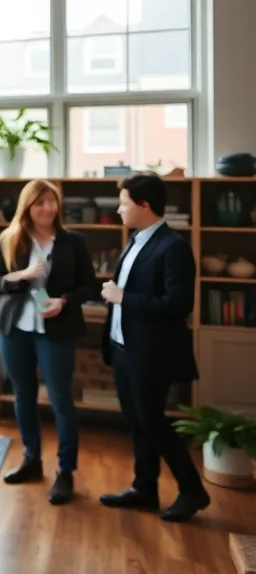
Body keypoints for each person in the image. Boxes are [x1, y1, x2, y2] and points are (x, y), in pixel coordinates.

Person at [99, 171, 209, 522]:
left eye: (124, 203)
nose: (119, 210)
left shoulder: (173, 247)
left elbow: (178, 305)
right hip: (123, 349)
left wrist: (123, 297)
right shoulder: (135, 240)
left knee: (154, 423)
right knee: (137, 423)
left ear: (144, 204)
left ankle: (193, 490)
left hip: (150, 354)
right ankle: (144, 488)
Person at [0, 179, 98, 505]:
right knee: (23, 396)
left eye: (52, 202)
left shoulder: (72, 242)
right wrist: (21, 276)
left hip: (56, 330)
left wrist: (64, 301)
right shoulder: (10, 240)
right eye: (40, 203)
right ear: (28, 207)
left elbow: (89, 287)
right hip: (15, 329)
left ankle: (65, 471)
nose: (48, 208)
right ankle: (31, 459)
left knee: (61, 399)